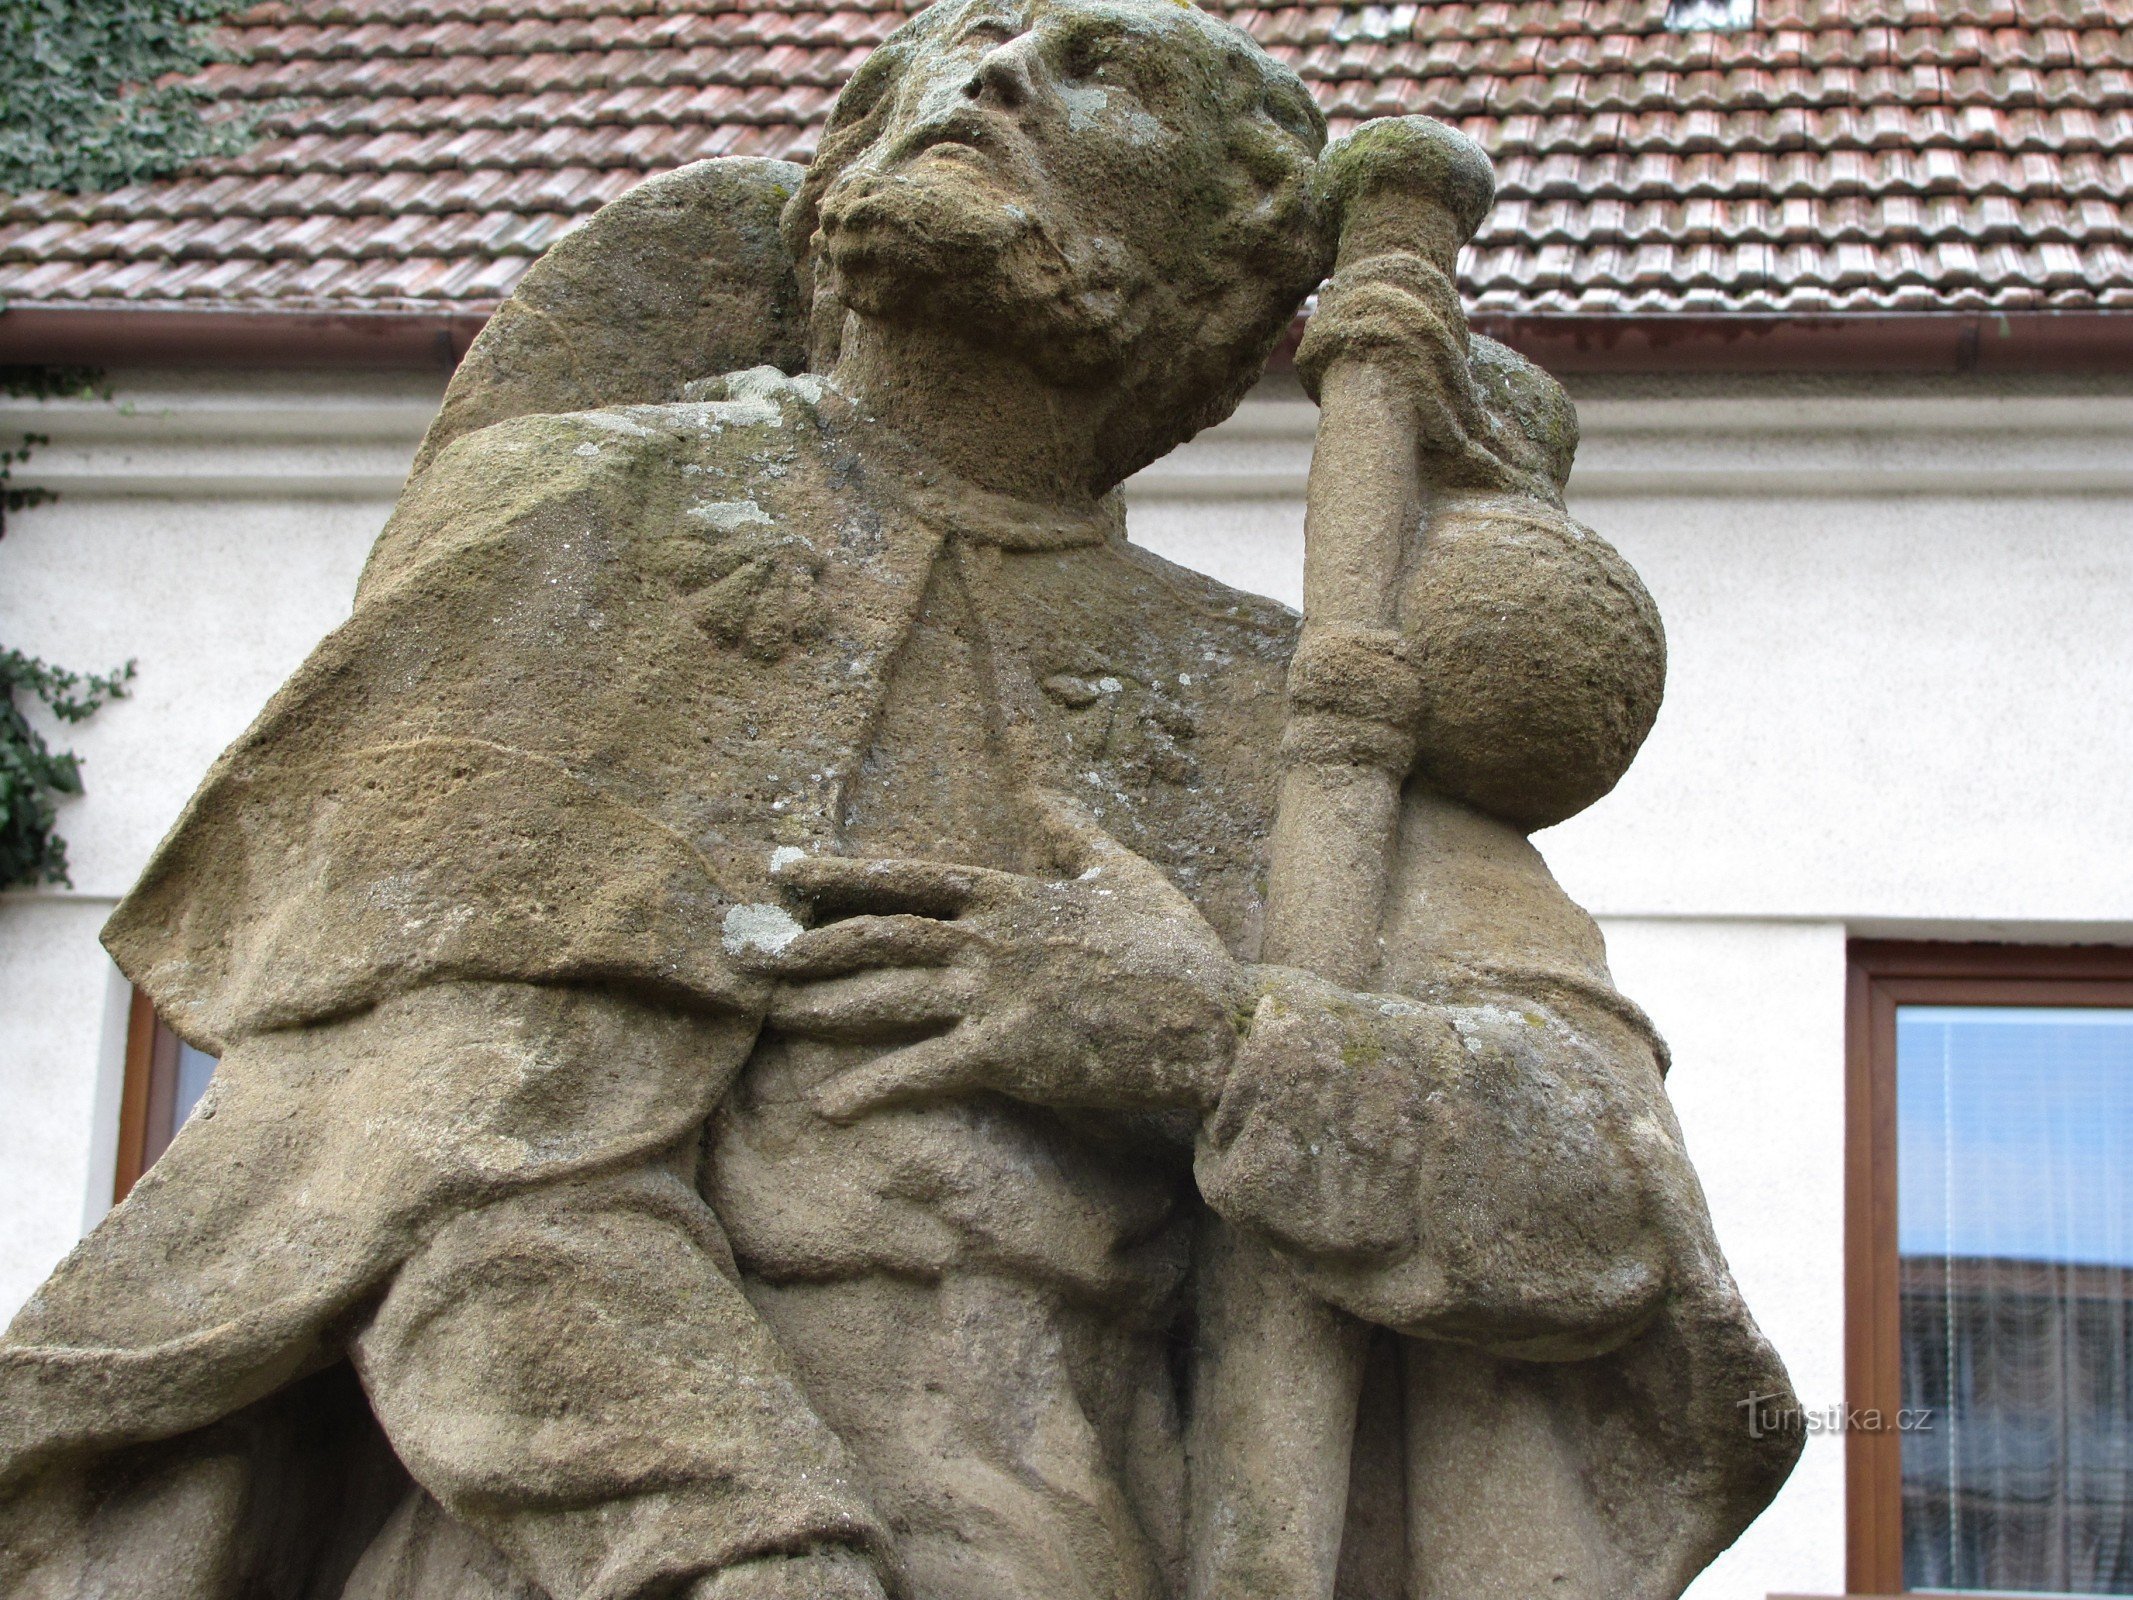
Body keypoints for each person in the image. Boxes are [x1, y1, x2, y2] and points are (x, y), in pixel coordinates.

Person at [0, 2, 1797, 1596]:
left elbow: (1604, 1209)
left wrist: (1209, 1044)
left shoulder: (1296, 715)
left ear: (1226, 286)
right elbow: (437, 1155)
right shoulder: (589, 527)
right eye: (931, 63)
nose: (990, 73)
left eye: (1103, 77)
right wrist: (739, 1544)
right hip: (583, 1523)